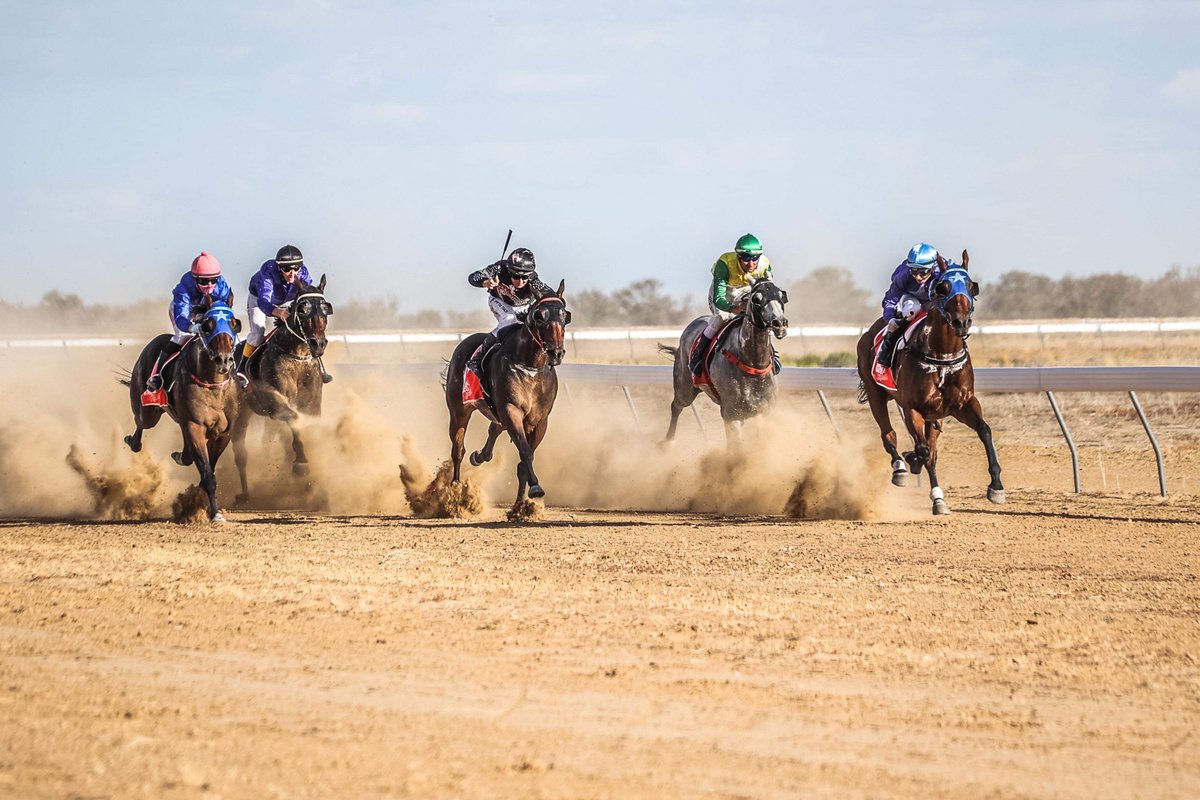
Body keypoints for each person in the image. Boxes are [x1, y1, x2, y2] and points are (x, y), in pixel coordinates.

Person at [142, 251, 233, 404]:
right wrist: (192, 328)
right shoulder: (184, 289)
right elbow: (181, 318)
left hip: (207, 311)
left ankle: (236, 372)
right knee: (182, 337)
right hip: (185, 313)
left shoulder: (222, 287)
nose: (209, 285)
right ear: (195, 279)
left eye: (213, 280)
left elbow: (225, 312)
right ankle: (156, 377)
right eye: (204, 282)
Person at [241, 244, 331, 384]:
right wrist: (281, 313)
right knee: (258, 333)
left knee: (304, 329)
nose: (292, 273)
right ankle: (242, 370)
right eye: (287, 269)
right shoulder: (269, 272)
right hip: (261, 300)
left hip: (288, 300)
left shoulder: (303, 274)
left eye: (296, 268)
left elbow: (308, 294)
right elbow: (264, 302)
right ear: (279, 268)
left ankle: (320, 368)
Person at [689, 233, 773, 378]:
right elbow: (718, 298)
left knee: (763, 319)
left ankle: (772, 355)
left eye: (755, 258)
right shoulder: (724, 263)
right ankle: (698, 355)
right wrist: (734, 308)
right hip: (725, 291)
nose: (751, 263)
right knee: (721, 317)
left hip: (747, 290)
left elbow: (768, 293)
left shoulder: (765, 264)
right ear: (738, 256)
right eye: (746, 258)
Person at [465, 247, 554, 375]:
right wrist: (485, 282)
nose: (521, 281)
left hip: (524, 307)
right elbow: (473, 277)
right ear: (509, 270)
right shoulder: (499, 268)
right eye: (516, 276)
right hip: (499, 301)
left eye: (525, 277)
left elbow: (551, 294)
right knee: (509, 319)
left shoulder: (534, 280)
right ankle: (478, 357)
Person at [872, 242, 949, 385]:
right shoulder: (903, 275)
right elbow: (890, 299)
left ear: (933, 267)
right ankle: (885, 353)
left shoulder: (944, 271)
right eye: (914, 271)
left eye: (922, 272)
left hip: (935, 301)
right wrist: (890, 320)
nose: (918, 277)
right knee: (912, 310)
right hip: (913, 300)